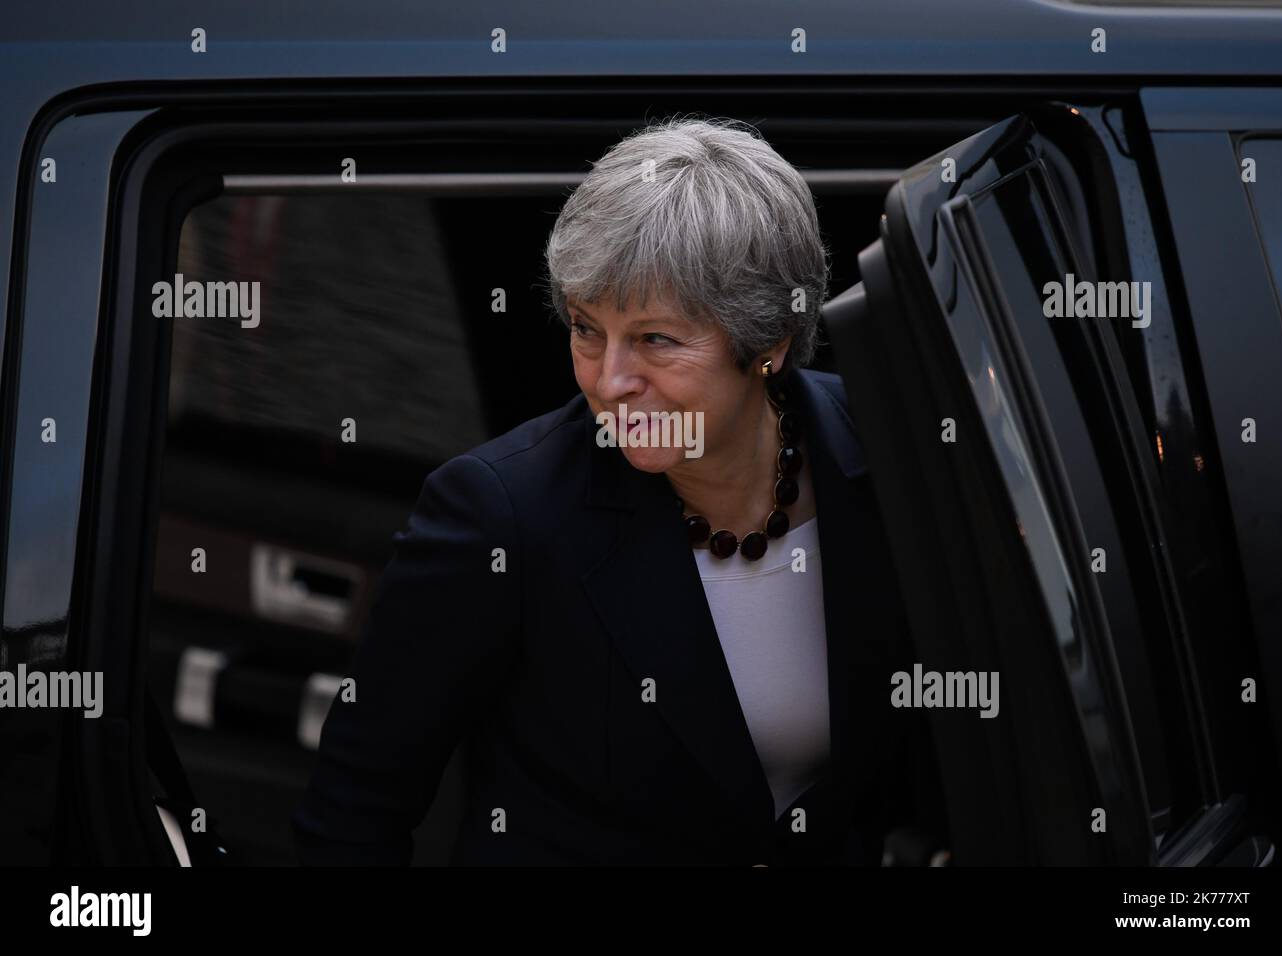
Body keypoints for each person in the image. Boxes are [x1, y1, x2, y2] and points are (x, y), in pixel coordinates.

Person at [292, 115, 934, 866]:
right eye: (587, 329)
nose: (610, 381)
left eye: (656, 339)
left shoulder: (888, 453)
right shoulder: (500, 515)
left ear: (769, 344)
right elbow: (350, 816)